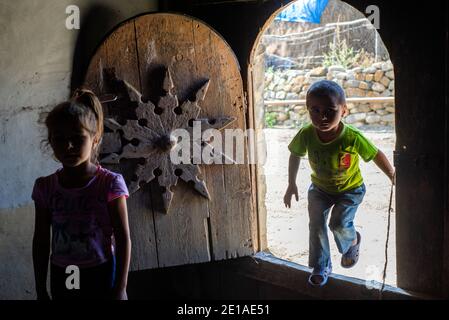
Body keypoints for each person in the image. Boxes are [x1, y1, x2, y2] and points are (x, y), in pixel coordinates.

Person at [283, 80, 395, 287]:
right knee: (316, 225)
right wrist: (291, 183)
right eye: (314, 110)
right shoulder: (307, 134)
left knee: (337, 224)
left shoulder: (352, 137)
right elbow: (295, 154)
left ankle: (352, 241)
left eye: (330, 110)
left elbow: (375, 154)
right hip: (319, 189)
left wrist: (392, 174)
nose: (322, 117)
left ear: (344, 111)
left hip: (350, 190)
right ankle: (321, 265)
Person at [32, 89, 131, 299]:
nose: (68, 146)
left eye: (77, 138)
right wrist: (40, 288)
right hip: (64, 272)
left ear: (95, 139)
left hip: (100, 270)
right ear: (50, 141)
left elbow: (123, 238)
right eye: (59, 139)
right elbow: (41, 240)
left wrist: (121, 288)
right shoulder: (45, 188)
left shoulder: (109, 184)